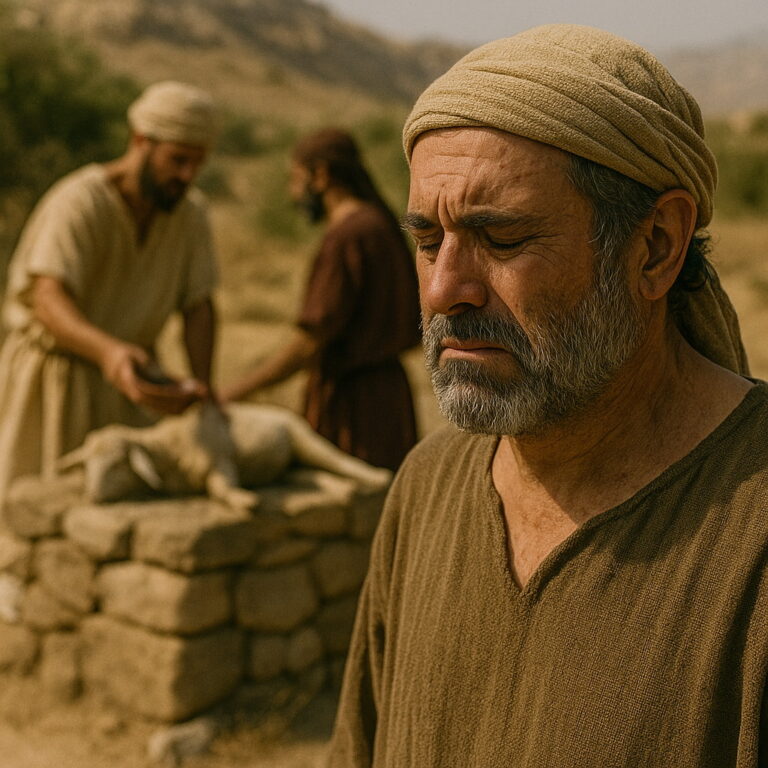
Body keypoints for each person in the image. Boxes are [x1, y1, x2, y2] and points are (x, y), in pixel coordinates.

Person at [328, 24, 767, 768]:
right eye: (428, 239)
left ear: (656, 245)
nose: (443, 291)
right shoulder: (427, 487)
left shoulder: (749, 535)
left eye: (500, 239)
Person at [0, 80, 219, 506]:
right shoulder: (79, 201)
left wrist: (203, 389)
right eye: (178, 160)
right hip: (53, 386)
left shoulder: (191, 213)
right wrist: (109, 353)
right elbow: (48, 298)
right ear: (141, 141)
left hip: (129, 388)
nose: (186, 176)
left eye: (197, 164)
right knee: (25, 518)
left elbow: (199, 304)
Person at [221, 129, 421, 472]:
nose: (292, 193)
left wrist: (234, 392)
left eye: (296, 179)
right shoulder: (377, 224)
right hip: (388, 396)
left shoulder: (348, 236)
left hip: (354, 409)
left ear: (321, 175)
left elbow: (310, 342)